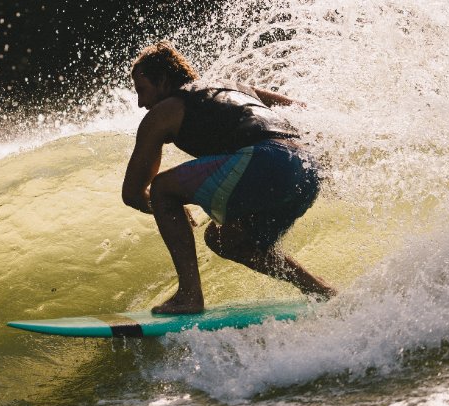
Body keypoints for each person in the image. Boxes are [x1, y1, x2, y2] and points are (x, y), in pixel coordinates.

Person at [122, 41, 337, 314]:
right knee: (225, 240)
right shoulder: (235, 88)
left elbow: (132, 192)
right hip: (307, 171)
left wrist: (166, 208)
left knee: (163, 187)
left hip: (267, 162)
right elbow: (300, 108)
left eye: (142, 91)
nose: (142, 103)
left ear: (163, 80)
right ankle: (319, 289)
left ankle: (189, 295)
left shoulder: (165, 111)